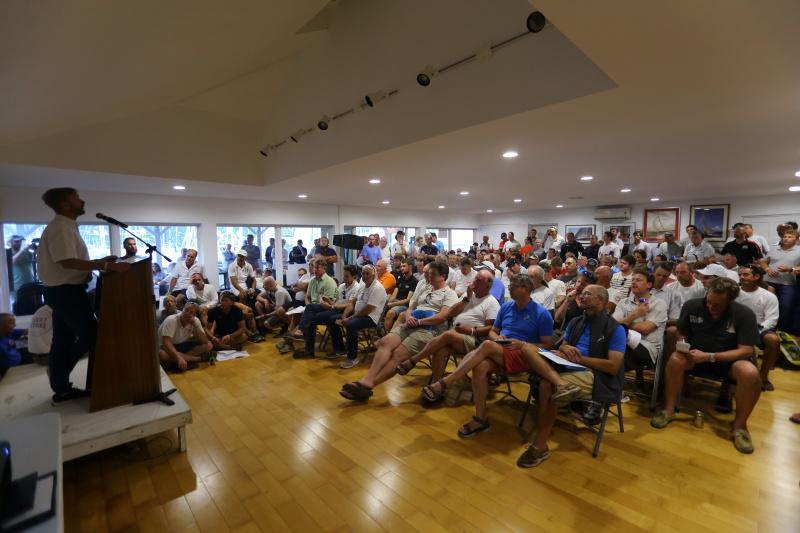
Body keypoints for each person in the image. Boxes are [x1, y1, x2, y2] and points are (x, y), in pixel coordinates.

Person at [419, 274, 581, 437]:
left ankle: (445, 382)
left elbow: (547, 344)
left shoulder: (541, 313)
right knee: (481, 365)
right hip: (501, 350)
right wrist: (499, 338)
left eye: (513, 286)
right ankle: (480, 419)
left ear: (525, 290)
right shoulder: (507, 307)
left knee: (487, 345)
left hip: (524, 355)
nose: (508, 288)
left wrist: (522, 344)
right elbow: (493, 332)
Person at [516, 285, 626, 467]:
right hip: (568, 366)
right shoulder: (576, 321)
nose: (581, 297)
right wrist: (564, 348)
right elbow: (563, 345)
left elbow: (613, 367)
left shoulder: (615, 329)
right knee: (527, 348)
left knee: (546, 385)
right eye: (582, 294)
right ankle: (561, 385)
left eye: (587, 294)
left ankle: (540, 446)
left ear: (600, 300)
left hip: (596, 375)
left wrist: (580, 359)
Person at [37, 187, 130, 403]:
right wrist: (107, 265)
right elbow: (67, 262)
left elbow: (70, 260)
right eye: (77, 198)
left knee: (63, 339)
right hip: (66, 292)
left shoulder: (65, 226)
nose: (82, 201)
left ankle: (60, 385)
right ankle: (60, 376)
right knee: (92, 336)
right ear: (65, 204)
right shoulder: (61, 228)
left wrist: (101, 262)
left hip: (62, 291)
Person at [651, 278, 761, 454]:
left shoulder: (744, 314)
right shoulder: (692, 305)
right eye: (709, 301)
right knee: (675, 359)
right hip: (695, 357)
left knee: (749, 372)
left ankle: (740, 426)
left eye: (717, 304)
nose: (711, 307)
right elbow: (682, 331)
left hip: (727, 362)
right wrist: (683, 342)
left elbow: (746, 350)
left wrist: (711, 356)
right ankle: (668, 409)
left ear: (730, 301)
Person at [339, 262, 457, 398]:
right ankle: (367, 380)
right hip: (412, 323)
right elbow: (411, 307)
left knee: (398, 354)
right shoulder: (426, 289)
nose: (428, 277)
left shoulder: (449, 294)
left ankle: (367, 385)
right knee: (385, 342)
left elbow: (442, 317)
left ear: (443, 276)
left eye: (433, 274)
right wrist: (408, 316)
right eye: (428, 274)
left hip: (429, 330)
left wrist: (419, 321)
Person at [394, 269, 500, 384]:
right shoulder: (467, 295)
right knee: (439, 350)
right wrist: (467, 298)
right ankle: (436, 385)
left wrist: (470, 330)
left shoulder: (492, 302)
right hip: (456, 334)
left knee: (447, 335)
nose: (473, 281)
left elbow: (490, 329)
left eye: (478, 280)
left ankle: (413, 360)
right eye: (475, 278)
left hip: (474, 339)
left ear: (487, 286)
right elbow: (451, 313)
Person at [330, 265, 387, 369]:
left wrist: (350, 318)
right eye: (363, 273)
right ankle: (340, 349)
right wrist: (344, 315)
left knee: (350, 325)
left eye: (367, 273)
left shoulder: (377, 288)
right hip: (358, 315)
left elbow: (368, 310)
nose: (364, 276)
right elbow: (352, 302)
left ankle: (352, 357)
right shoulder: (362, 285)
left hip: (371, 318)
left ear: (373, 275)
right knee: (332, 319)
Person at [613, 270, 668, 375]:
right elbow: (613, 325)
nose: (633, 282)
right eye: (632, 279)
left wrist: (624, 323)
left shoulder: (658, 304)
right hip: (623, 340)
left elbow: (645, 329)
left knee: (617, 352)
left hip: (646, 347)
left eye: (638, 280)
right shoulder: (623, 302)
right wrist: (635, 314)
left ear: (649, 284)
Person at [736, 265, 780, 390]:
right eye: (740, 275)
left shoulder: (769, 296)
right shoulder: (734, 293)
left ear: (756, 277)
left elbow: (772, 319)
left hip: (760, 328)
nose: (741, 277)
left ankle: (763, 375)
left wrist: (756, 330)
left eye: (745, 275)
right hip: (736, 326)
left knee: (773, 340)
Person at [761, 227, 799, 334]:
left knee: (785, 307)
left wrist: (791, 269)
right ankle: (766, 330)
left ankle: (781, 331)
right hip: (769, 281)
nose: (786, 239)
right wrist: (767, 269)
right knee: (766, 306)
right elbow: (763, 262)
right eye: (784, 237)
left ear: (796, 239)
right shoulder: (773, 248)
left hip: (787, 284)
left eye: (790, 237)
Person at [158, 302, 213, 371]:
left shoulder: (195, 321)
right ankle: (197, 359)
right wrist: (178, 357)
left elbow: (205, 341)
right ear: (182, 309)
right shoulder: (171, 320)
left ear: (194, 315)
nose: (187, 313)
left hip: (182, 344)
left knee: (209, 345)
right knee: (162, 355)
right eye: (186, 310)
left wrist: (195, 326)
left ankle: (176, 361)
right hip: (165, 346)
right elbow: (166, 343)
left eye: (191, 312)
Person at [384, 258, 418, 331]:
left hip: (404, 306)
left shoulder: (414, 281)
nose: (402, 268)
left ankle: (388, 336)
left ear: (410, 267)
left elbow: (407, 300)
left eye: (404, 266)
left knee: (390, 313)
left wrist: (392, 304)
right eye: (401, 266)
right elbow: (394, 295)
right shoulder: (400, 279)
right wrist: (389, 301)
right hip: (396, 302)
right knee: (380, 306)